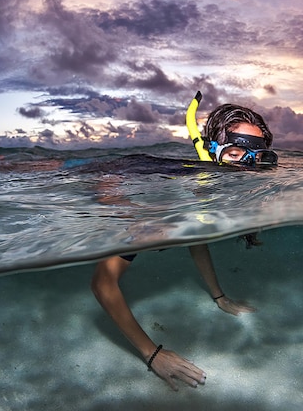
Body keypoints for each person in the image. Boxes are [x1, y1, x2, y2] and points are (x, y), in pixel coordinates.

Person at [91, 102, 277, 390]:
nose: (246, 169)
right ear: (213, 151)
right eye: (235, 154)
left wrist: (220, 298)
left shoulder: (208, 195)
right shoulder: (168, 203)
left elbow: (196, 238)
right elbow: (103, 284)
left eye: (257, 158)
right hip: (89, 173)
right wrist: (152, 354)